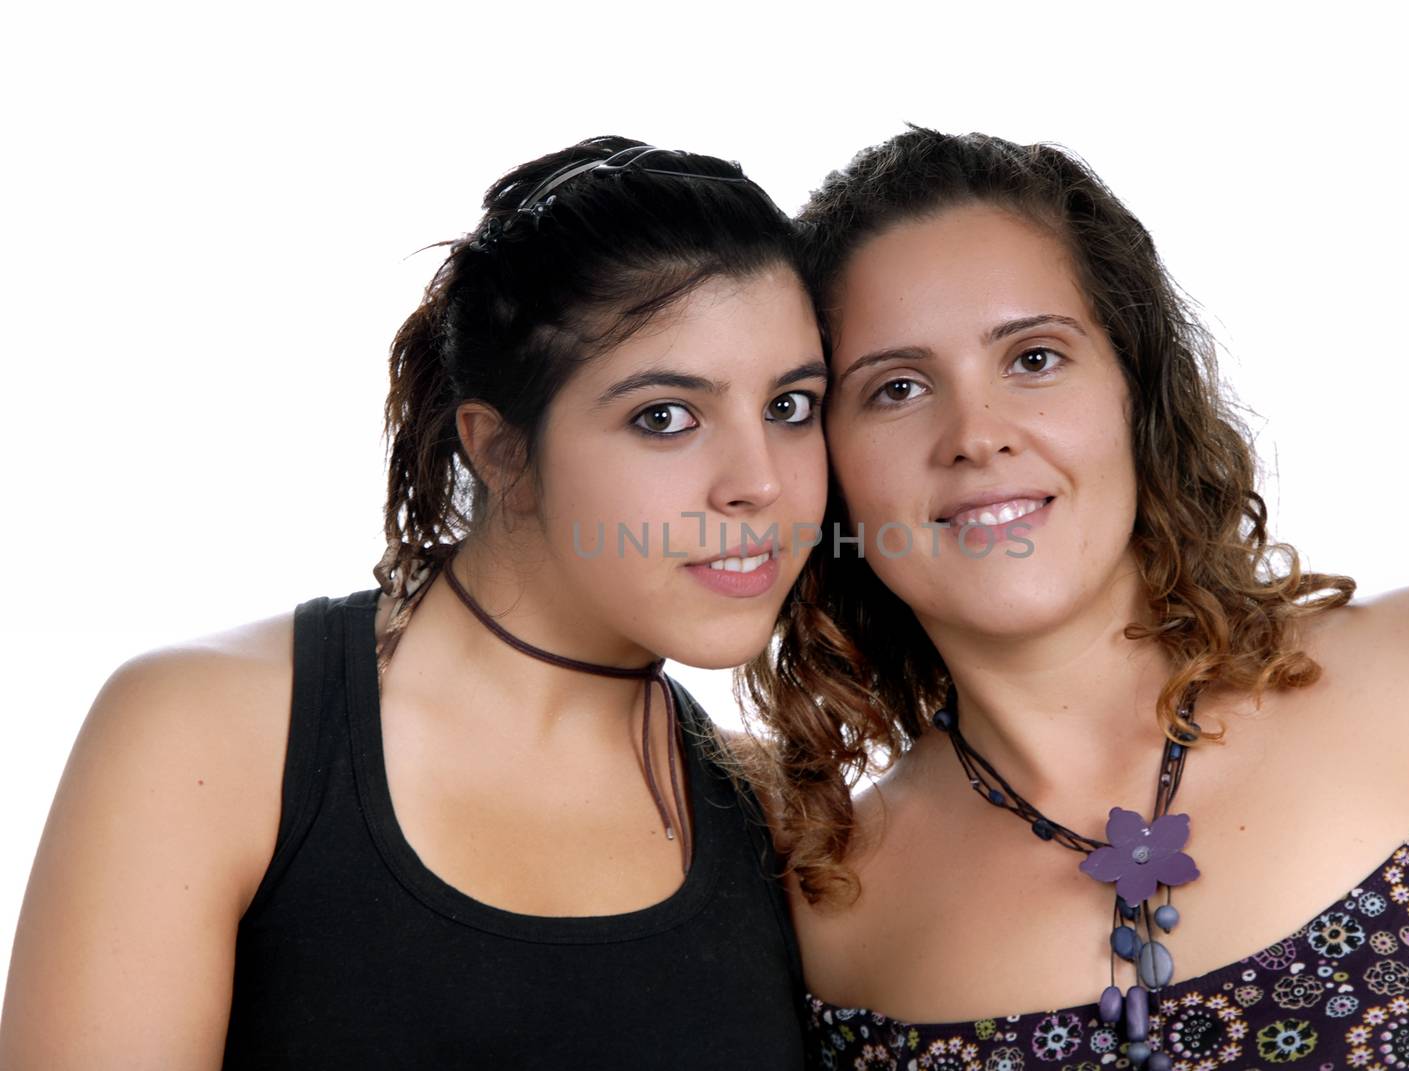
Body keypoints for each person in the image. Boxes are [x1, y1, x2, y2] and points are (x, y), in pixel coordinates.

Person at [740, 127, 1409, 1069]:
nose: (976, 435)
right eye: (897, 387)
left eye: (1033, 358)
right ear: (824, 466)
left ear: (1135, 389)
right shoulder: (837, 913)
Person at [1, 136, 826, 1068]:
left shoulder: (779, 813)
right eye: (665, 416)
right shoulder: (209, 734)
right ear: (501, 449)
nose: (759, 483)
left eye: (792, 406)